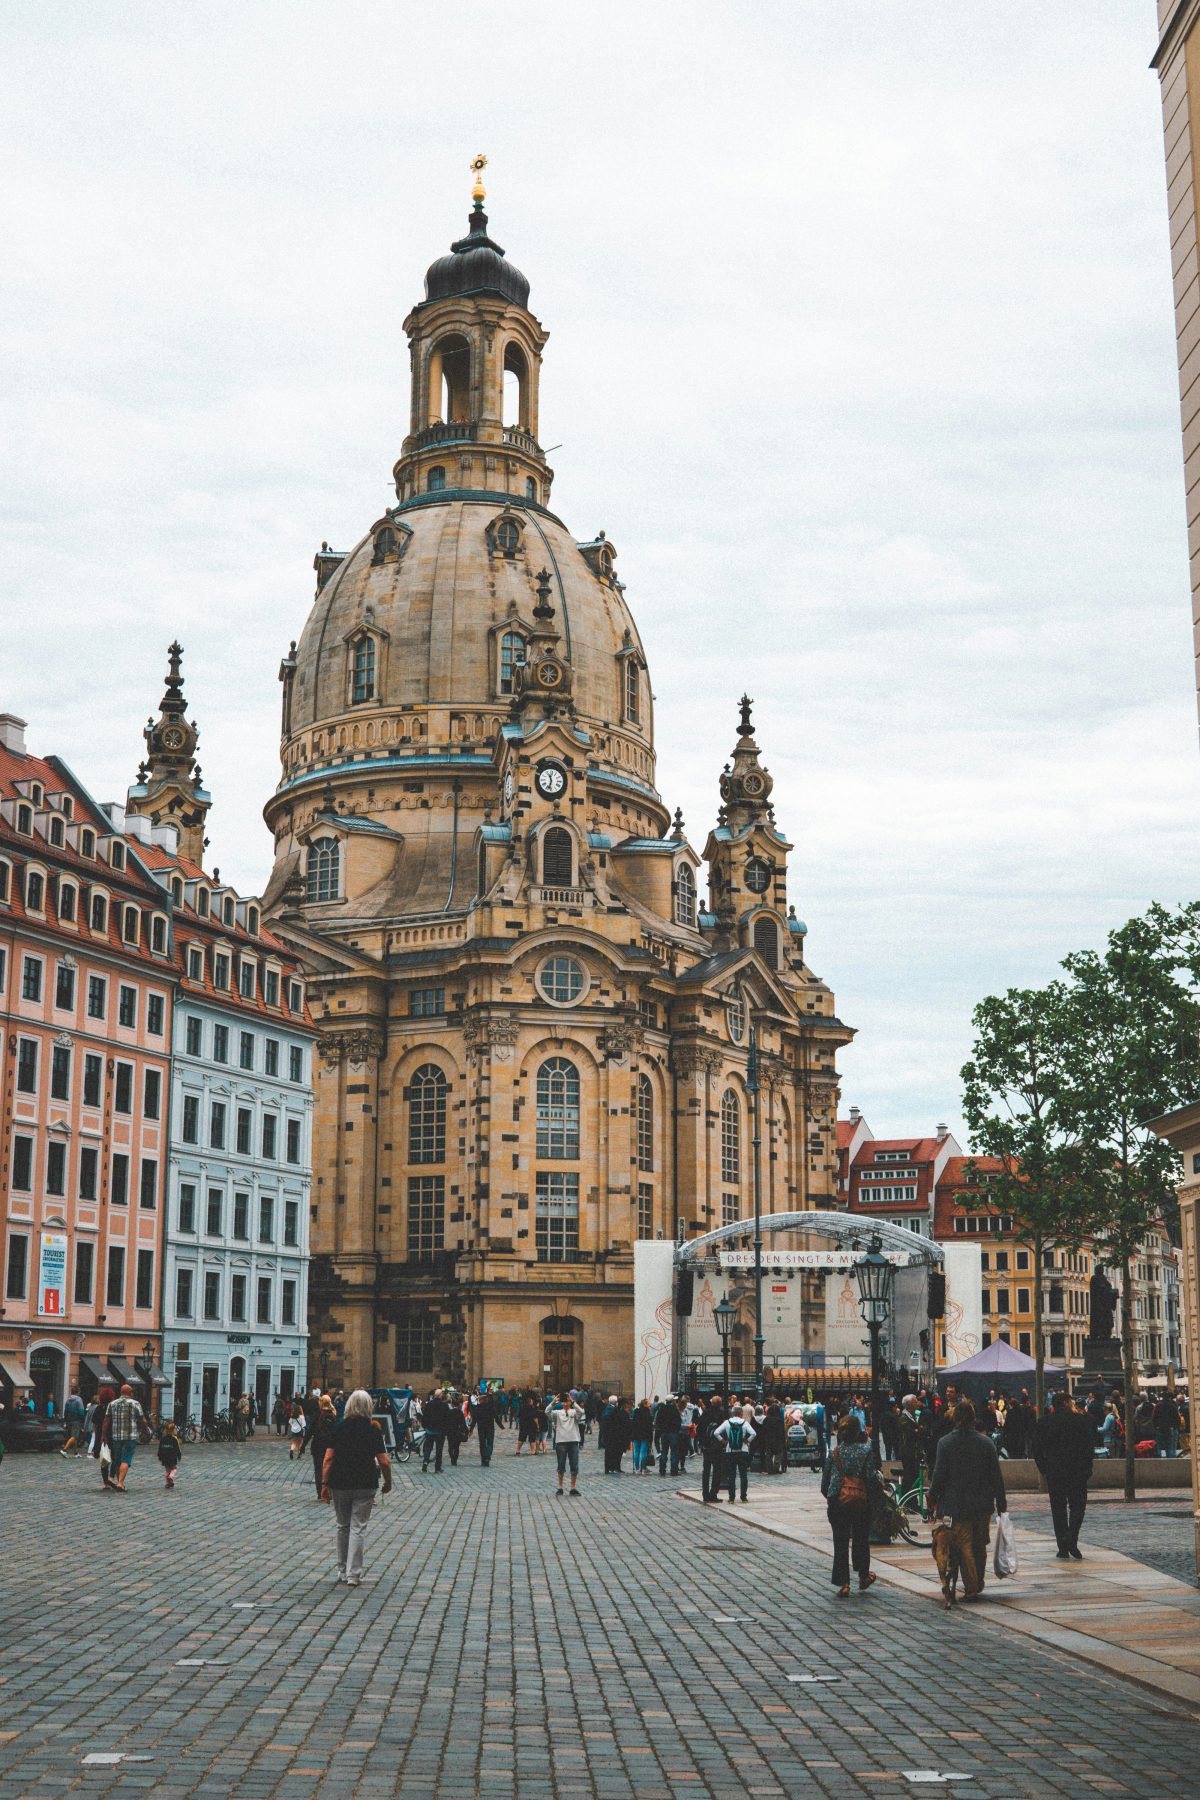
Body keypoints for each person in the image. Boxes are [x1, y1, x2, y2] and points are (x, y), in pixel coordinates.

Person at [929, 1399, 1008, 1599]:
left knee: (964, 1545)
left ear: (955, 1418)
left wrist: (933, 1497)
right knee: (979, 1544)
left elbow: (939, 1475)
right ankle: (977, 1582)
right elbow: (995, 1475)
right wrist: (1001, 1502)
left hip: (956, 1504)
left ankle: (972, 1586)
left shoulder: (945, 1443)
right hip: (982, 1503)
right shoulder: (986, 1443)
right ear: (974, 1419)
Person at [320, 1389, 392, 1587]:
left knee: (343, 1526)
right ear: (369, 1407)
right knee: (358, 1528)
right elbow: (384, 1462)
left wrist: (324, 1485)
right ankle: (354, 1574)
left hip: (340, 1482)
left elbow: (328, 1459)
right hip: (365, 1483)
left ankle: (342, 1570)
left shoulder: (339, 1428)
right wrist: (388, 1482)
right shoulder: (373, 1430)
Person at [820, 1415, 882, 1597]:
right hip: (860, 1501)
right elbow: (871, 1478)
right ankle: (863, 1576)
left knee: (840, 1542)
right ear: (858, 1432)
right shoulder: (865, 1451)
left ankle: (844, 1583)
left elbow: (825, 1483)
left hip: (837, 1500)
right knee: (861, 1539)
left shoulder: (835, 1452)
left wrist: (832, 1496)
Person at [1034, 1390, 1093, 1560]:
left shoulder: (1044, 1422)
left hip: (1054, 1471)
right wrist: (1088, 1468)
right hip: (1077, 1471)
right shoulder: (1081, 1421)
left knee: (1058, 1508)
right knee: (1078, 1506)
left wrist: (1043, 1468)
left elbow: (1037, 1448)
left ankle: (1062, 1546)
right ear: (1067, 1403)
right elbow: (1088, 1447)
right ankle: (1071, 1538)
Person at [714, 1403, 756, 1504]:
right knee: (743, 1475)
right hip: (743, 1450)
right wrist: (747, 1441)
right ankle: (743, 1497)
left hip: (730, 1450)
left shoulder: (727, 1422)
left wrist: (723, 1441)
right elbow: (754, 1433)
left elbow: (716, 1432)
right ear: (741, 1413)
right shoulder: (744, 1423)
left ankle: (731, 1498)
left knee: (731, 1475)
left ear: (732, 1414)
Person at [548, 1390, 585, 1498]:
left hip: (573, 1441)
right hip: (561, 1442)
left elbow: (581, 1412)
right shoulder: (557, 1413)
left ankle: (573, 1487)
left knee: (574, 1465)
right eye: (563, 1402)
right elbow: (546, 1412)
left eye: (567, 1402)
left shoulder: (574, 1412)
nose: (565, 1404)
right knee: (561, 1465)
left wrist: (573, 1402)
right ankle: (560, 1487)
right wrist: (553, 1402)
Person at [697, 1395, 727, 1503]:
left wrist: (701, 1441)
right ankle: (713, 1493)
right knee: (717, 1471)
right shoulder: (721, 1414)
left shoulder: (706, 1413)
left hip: (706, 1446)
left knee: (706, 1471)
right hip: (717, 1446)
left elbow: (699, 1428)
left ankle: (705, 1494)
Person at [305, 1394, 337, 1498]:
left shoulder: (317, 1416)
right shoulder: (333, 1416)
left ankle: (320, 1492)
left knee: (318, 1469)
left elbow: (309, 1432)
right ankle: (329, 1491)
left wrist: (303, 1446)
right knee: (330, 1469)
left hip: (317, 1447)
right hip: (330, 1447)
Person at [91, 1386, 116, 1489]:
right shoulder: (114, 1408)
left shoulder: (99, 1408)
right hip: (113, 1435)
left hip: (101, 1436)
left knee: (104, 1459)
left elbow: (95, 1424)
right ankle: (111, 1477)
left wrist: (97, 1436)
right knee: (115, 1458)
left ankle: (106, 1483)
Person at [422, 1388, 451, 1473]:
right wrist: (446, 1429)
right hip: (440, 1431)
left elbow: (424, 1417)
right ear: (441, 1396)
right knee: (439, 1449)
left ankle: (425, 1461)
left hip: (430, 1430)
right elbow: (447, 1419)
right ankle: (437, 1467)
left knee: (428, 1447)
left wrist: (425, 1427)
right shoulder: (444, 1405)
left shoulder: (428, 1404)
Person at [654, 1394, 684, 1477]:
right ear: (672, 1401)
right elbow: (678, 1421)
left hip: (664, 1433)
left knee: (664, 1451)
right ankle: (674, 1470)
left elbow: (658, 1421)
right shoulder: (674, 1409)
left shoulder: (661, 1409)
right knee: (674, 1452)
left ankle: (662, 1470)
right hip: (673, 1433)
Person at [603, 1398, 632, 1474]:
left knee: (614, 1453)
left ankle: (612, 1468)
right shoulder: (619, 1412)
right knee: (616, 1453)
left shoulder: (615, 1411)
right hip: (617, 1436)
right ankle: (614, 1467)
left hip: (613, 1436)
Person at [469, 1388, 496, 1467]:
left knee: (482, 1444)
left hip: (481, 1428)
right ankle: (487, 1456)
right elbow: (496, 1417)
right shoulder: (491, 1408)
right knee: (490, 1443)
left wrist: (471, 1430)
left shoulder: (477, 1408)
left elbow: (474, 1420)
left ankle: (483, 1459)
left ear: (481, 1400)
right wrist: (501, 1426)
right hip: (490, 1427)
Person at [1153, 1392, 1181, 1459]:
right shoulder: (1173, 1406)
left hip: (1159, 1428)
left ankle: (1158, 1461)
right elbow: (1177, 1418)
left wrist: (1156, 1426)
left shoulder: (1158, 1405)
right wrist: (1175, 1427)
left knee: (1158, 1446)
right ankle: (1170, 1462)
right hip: (1170, 1428)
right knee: (1170, 1446)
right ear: (1170, 1398)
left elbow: (1154, 1417)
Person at [629, 1399, 654, 1474]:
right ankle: (643, 1468)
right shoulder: (647, 1412)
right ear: (645, 1404)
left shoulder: (636, 1411)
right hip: (645, 1435)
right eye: (649, 1403)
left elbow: (633, 1423)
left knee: (636, 1451)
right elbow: (649, 1426)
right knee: (643, 1452)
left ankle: (636, 1468)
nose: (650, 1404)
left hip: (636, 1434)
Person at [60, 1389, 86, 1458]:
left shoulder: (68, 1400)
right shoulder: (79, 1400)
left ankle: (76, 1452)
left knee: (73, 1436)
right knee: (74, 1436)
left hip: (69, 1420)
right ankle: (64, 1449)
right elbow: (81, 1410)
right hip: (76, 1420)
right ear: (78, 1392)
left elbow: (65, 1411)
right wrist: (82, 1419)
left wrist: (65, 1420)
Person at [157, 1421, 182, 1490]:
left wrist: (159, 1456)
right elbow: (177, 1449)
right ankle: (170, 1477)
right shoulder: (174, 1439)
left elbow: (160, 1448)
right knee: (174, 1469)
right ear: (173, 1430)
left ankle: (169, 1483)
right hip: (172, 1457)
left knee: (168, 1470)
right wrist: (179, 1456)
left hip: (164, 1457)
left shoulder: (162, 1439)